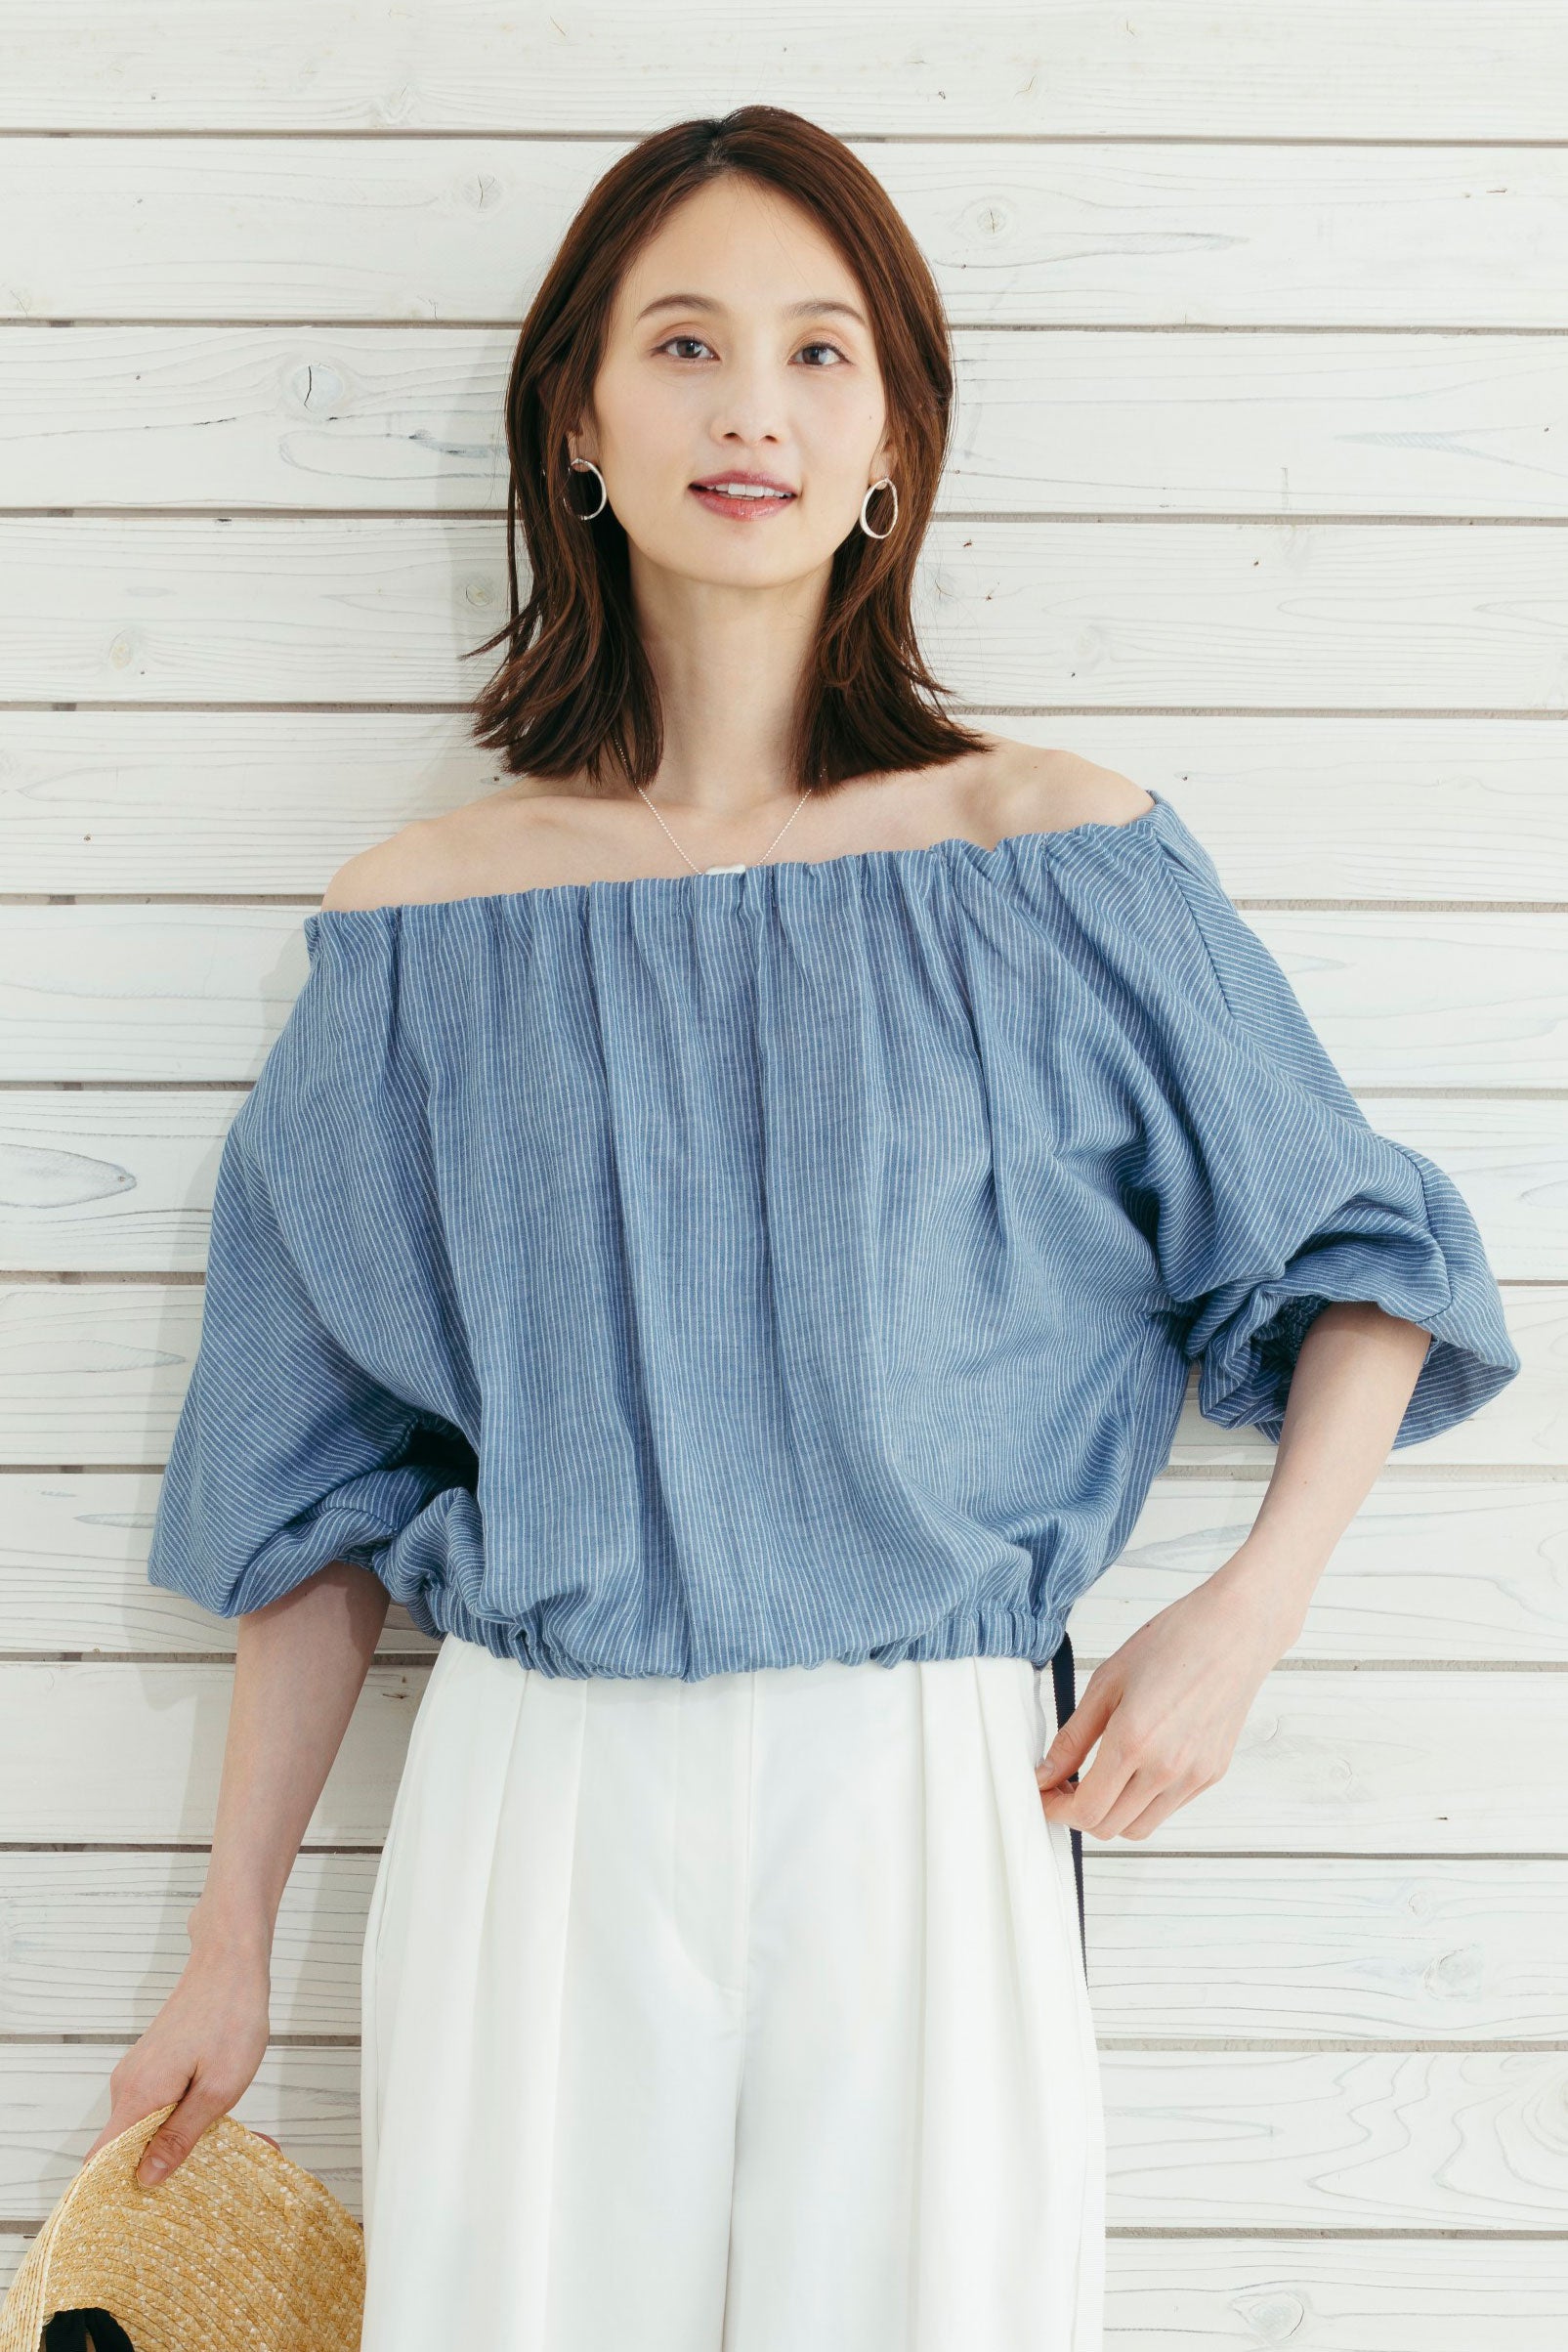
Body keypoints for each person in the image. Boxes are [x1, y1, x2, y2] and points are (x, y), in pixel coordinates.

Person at [86, 107, 1520, 2352]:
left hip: (933, 1774)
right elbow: (314, 1477)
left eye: (815, 349)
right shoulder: (421, 925)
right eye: (681, 344)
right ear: (578, 424)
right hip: (540, 1790)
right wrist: (227, 1937)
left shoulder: (1051, 856)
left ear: (889, 439)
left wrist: (1245, 1615)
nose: (747, 404)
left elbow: (1358, 1254)